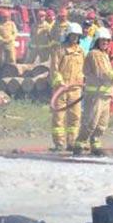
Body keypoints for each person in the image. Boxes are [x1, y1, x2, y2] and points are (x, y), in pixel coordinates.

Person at [73, 28, 113, 156]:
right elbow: (102, 73)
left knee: (102, 124)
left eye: (107, 40)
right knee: (91, 122)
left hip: (105, 95)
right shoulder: (94, 54)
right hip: (95, 95)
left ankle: (95, 144)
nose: (105, 42)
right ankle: (79, 144)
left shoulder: (104, 55)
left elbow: (108, 74)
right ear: (97, 40)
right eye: (103, 40)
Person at [50, 22, 85, 151]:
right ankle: (59, 144)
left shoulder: (81, 51)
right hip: (61, 90)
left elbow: (85, 69)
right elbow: (54, 69)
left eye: (77, 36)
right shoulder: (60, 50)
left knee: (75, 117)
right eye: (73, 35)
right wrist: (60, 82)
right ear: (68, 35)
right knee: (59, 118)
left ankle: (72, 142)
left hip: (76, 90)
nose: (75, 38)